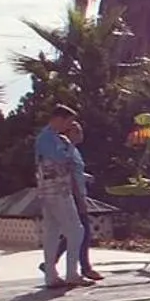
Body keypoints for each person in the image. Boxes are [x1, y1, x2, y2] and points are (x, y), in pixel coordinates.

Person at [34, 105, 85, 289]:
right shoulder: (47, 139)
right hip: (55, 191)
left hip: (57, 190)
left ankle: (52, 275)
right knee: (76, 231)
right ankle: (72, 273)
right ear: (59, 119)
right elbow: (61, 159)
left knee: (53, 232)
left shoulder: (55, 138)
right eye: (68, 122)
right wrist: (71, 144)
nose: (69, 126)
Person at [56, 115, 103, 282]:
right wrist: (78, 196)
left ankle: (50, 261)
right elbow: (67, 173)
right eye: (77, 131)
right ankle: (85, 268)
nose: (80, 134)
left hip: (79, 192)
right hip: (74, 195)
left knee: (74, 232)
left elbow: (75, 171)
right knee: (83, 231)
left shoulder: (74, 150)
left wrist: (85, 176)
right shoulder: (65, 150)